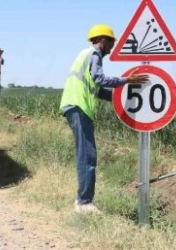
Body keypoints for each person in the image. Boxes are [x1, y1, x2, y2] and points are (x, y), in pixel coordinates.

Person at [60, 23, 149, 214]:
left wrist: (121, 99)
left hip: (76, 107)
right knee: (87, 155)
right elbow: (99, 79)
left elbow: (97, 89)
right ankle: (84, 203)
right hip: (78, 106)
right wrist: (126, 80)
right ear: (102, 40)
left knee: (87, 154)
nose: (112, 48)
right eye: (111, 43)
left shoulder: (85, 55)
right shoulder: (94, 55)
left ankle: (83, 200)